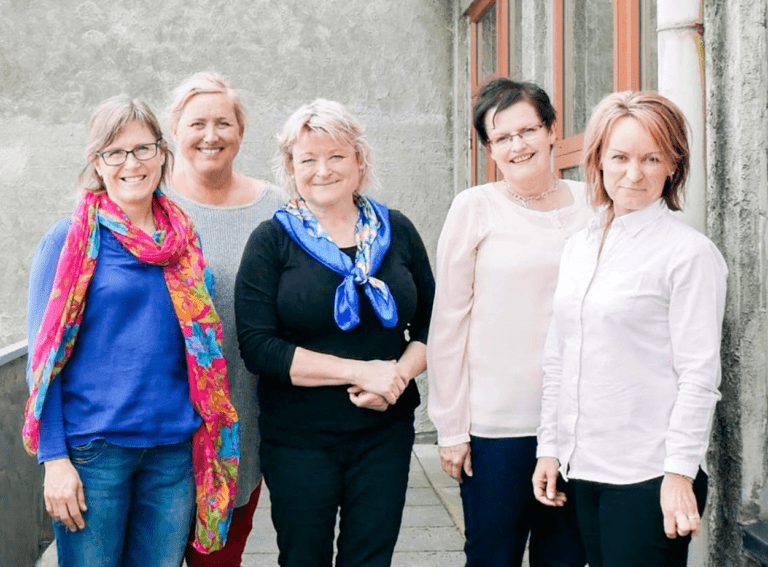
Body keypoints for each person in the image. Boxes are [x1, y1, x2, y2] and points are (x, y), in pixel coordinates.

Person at [22, 95, 239, 566]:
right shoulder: (67, 241)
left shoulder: (184, 241)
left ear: (162, 153)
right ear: (97, 163)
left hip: (171, 452)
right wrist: (54, 459)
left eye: (142, 149)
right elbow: (42, 363)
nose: (131, 163)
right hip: (94, 454)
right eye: (115, 152)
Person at [234, 99, 435, 567]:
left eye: (337, 156)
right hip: (299, 439)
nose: (323, 170)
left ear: (360, 160)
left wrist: (397, 378)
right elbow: (258, 347)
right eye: (308, 159)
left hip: (384, 433)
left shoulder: (397, 229)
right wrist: (361, 372)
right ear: (290, 167)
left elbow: (433, 323)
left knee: (371, 558)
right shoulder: (271, 240)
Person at [533, 91, 727, 567]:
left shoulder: (688, 254)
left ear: (673, 165)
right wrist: (550, 449)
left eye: (651, 158)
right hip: (582, 468)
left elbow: (699, 375)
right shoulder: (579, 247)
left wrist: (679, 473)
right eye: (620, 157)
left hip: (648, 475)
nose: (634, 174)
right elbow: (560, 357)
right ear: (598, 160)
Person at [427, 78, 588, 566]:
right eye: (502, 137)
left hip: (577, 423)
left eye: (527, 130)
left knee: (564, 557)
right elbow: (448, 322)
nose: (518, 145)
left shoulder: (594, 203)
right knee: (492, 555)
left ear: (551, 130)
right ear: (489, 148)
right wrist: (451, 427)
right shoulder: (475, 207)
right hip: (496, 427)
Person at [166, 71, 283, 567]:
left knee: (219, 560)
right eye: (197, 123)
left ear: (241, 129)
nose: (210, 135)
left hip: (242, 425)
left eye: (223, 123)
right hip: (161, 427)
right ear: (175, 129)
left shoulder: (276, 207)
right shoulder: (150, 202)